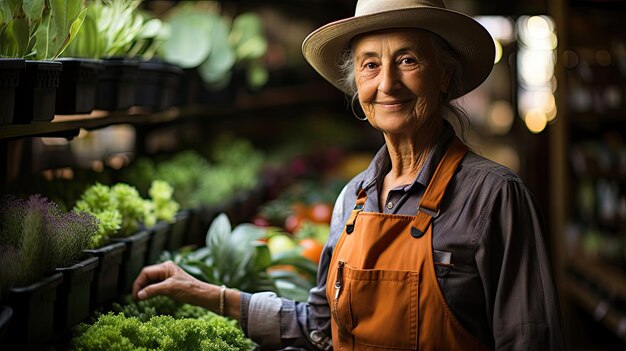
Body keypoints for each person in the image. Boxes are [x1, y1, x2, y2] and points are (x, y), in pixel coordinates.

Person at [132, 0, 566, 349]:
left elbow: (531, 338)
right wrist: (210, 294)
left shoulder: (494, 197)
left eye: (408, 60)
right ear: (357, 87)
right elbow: (322, 329)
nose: (387, 84)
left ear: (445, 75)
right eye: (370, 65)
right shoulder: (353, 199)